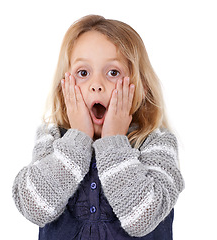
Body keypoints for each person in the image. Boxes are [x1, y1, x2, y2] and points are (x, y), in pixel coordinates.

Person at [12, 15, 184, 240]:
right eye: (83, 73)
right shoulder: (51, 139)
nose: (96, 85)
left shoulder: (157, 143)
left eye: (113, 73)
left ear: (139, 83)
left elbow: (142, 219)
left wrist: (113, 141)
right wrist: (78, 139)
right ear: (65, 85)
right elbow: (34, 207)